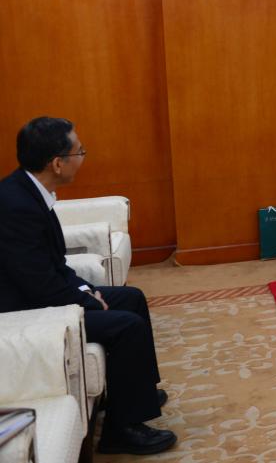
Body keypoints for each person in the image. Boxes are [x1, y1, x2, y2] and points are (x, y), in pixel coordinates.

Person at [0, 117, 176, 455]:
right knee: (126, 327)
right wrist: (90, 302)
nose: (82, 157)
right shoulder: (16, 206)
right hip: (26, 310)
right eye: (79, 152)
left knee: (131, 298)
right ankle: (121, 431)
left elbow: (54, 266)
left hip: (42, 294)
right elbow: (38, 285)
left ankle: (135, 394)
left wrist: (85, 292)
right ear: (57, 163)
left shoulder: (30, 191)